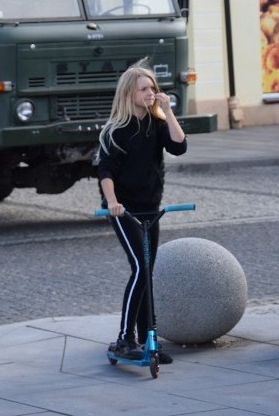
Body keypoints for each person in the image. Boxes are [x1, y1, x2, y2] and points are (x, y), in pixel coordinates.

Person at [96, 60, 186, 365]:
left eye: (153, 88)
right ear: (129, 93)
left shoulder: (156, 124)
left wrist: (169, 111)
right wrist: (112, 203)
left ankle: (150, 339)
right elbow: (105, 171)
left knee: (147, 273)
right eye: (145, 88)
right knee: (140, 268)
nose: (151, 93)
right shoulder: (116, 130)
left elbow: (179, 147)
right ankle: (126, 339)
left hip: (150, 209)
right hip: (124, 210)